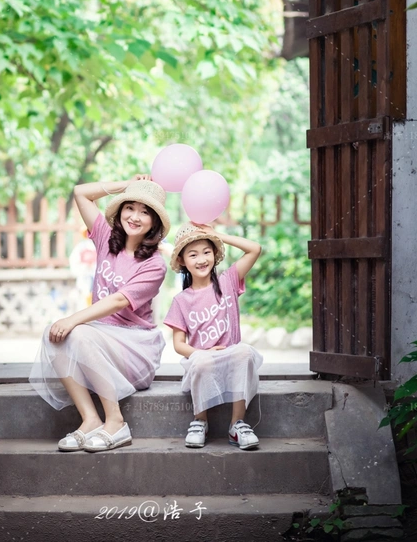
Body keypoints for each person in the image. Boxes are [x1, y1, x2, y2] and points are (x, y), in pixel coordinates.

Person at [28, 174, 170, 453]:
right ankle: (91, 419)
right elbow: (80, 192)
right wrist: (127, 185)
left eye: (145, 212)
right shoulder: (106, 238)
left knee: (76, 331)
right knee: (53, 334)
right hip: (98, 341)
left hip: (135, 350)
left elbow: (118, 301)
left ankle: (116, 422)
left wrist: (73, 318)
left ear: (154, 222)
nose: (135, 216)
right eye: (129, 207)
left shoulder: (155, 264)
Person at [163, 221, 263, 450]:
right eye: (193, 254)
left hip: (231, 359)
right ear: (182, 260)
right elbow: (179, 345)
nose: (201, 259)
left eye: (207, 252)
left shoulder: (228, 281)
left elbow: (254, 249)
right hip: (203, 363)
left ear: (214, 254)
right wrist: (203, 352)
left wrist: (217, 235)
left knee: (244, 351)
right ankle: (200, 422)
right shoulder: (181, 301)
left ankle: (237, 425)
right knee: (201, 360)